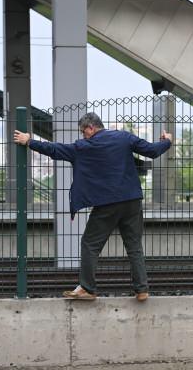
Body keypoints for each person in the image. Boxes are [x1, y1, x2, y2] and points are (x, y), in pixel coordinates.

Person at [13, 112, 172, 301]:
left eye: (83, 131)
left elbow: (55, 150)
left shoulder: (83, 147)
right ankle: (142, 289)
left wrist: (29, 141)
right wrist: (167, 142)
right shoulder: (124, 137)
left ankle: (87, 288)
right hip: (132, 201)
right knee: (134, 246)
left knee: (90, 244)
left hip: (107, 205)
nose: (82, 135)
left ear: (91, 128)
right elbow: (152, 151)